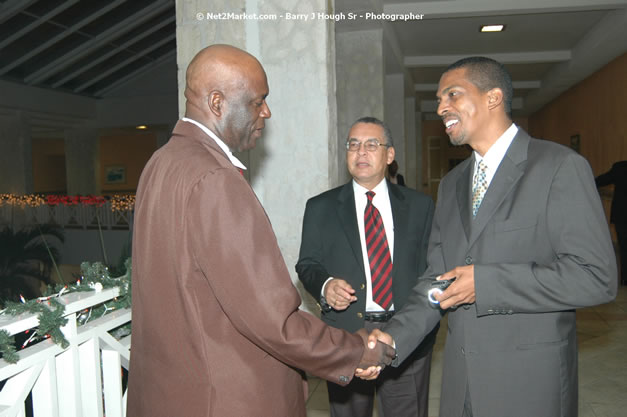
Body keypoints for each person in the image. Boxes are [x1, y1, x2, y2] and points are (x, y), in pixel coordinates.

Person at [126, 44, 395, 417]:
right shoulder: (215, 179)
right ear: (217, 103)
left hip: (173, 392)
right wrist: (356, 350)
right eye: (257, 101)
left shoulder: (160, 162)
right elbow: (272, 319)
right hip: (226, 397)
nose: (266, 112)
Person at [364, 56, 617, 417]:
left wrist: (487, 283)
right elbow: (438, 280)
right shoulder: (452, 184)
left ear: (493, 98)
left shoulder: (558, 167)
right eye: (438, 100)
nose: (441, 108)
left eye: (452, 95)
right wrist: (394, 337)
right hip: (460, 385)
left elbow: (597, 277)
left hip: (528, 385)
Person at [296, 116, 437, 417]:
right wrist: (324, 285)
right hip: (348, 334)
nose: (361, 152)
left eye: (372, 144)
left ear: (389, 155)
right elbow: (307, 264)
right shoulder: (320, 208)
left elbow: (432, 272)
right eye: (354, 145)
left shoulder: (420, 207)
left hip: (406, 334)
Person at [596, 160, 627, 285]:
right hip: (622, 216)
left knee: (624, 247)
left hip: (622, 215)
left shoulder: (620, 167)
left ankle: (625, 279)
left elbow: (599, 181)